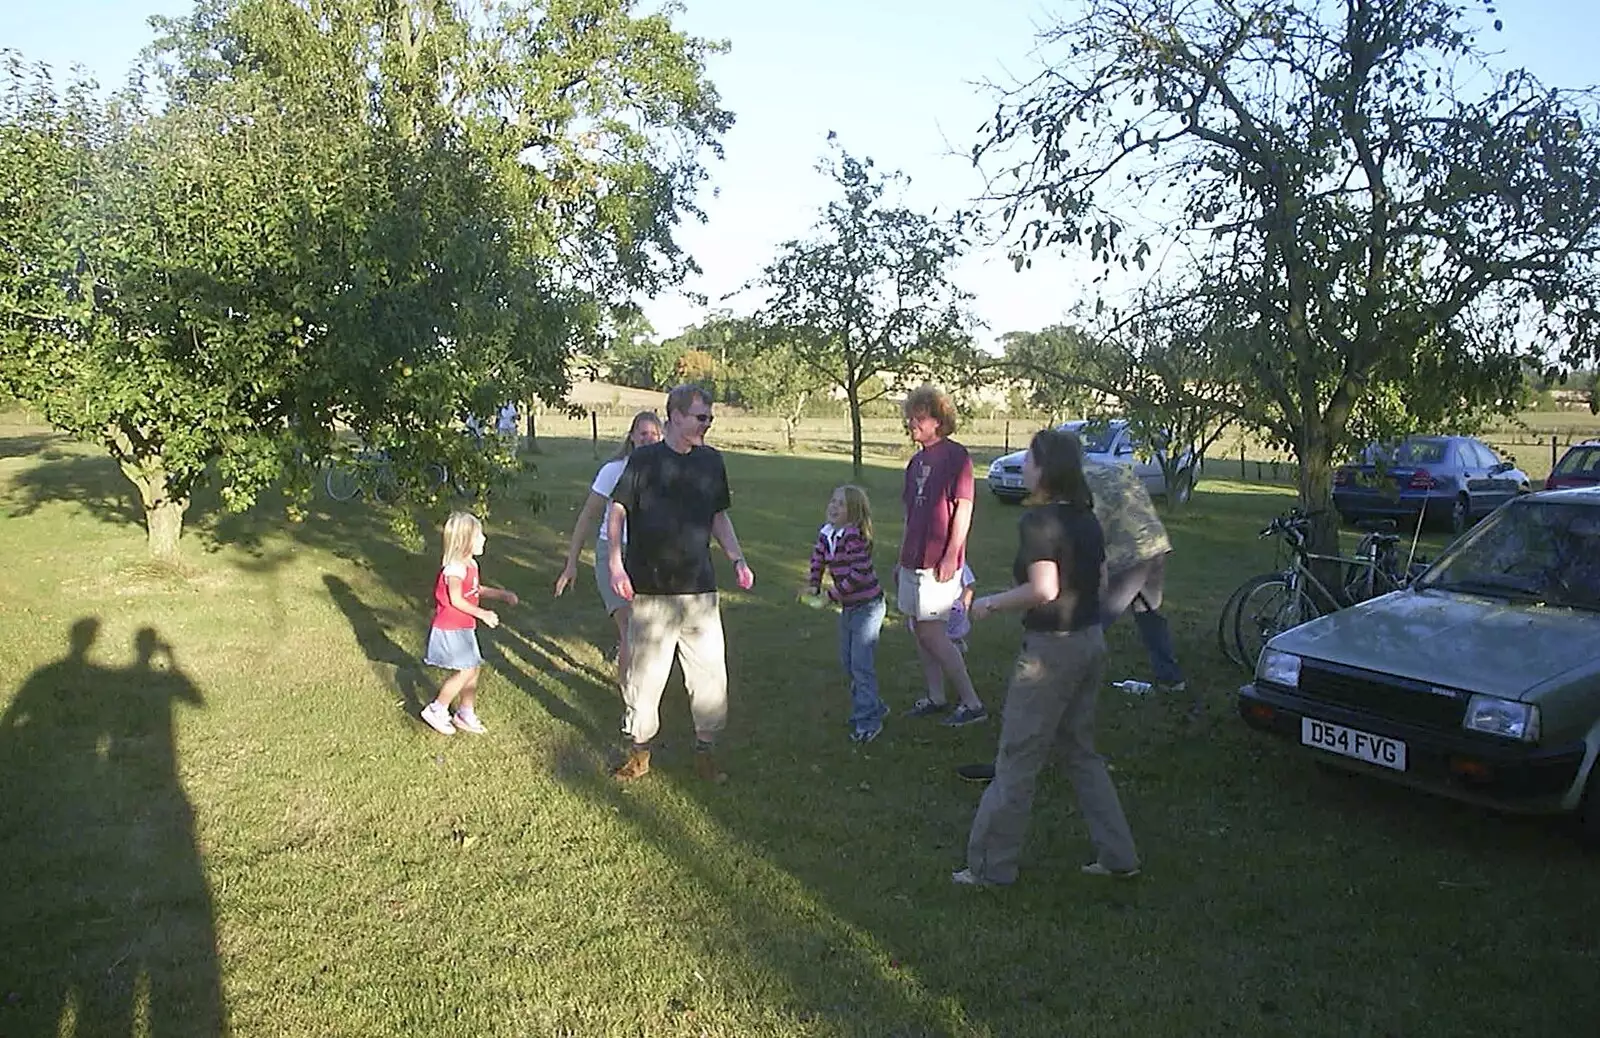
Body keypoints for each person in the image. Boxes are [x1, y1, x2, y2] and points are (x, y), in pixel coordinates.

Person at [952, 428, 1140, 886]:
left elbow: (1044, 589)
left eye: (1031, 460)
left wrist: (990, 603)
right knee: (1080, 752)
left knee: (1016, 757)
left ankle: (989, 869)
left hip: (1050, 654)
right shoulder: (1086, 519)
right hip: (1089, 641)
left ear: (1047, 468)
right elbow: (1095, 584)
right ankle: (1119, 856)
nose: (1025, 466)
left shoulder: (1039, 523)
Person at [605, 384, 753, 782]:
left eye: (709, 417)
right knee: (644, 680)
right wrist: (615, 563)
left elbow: (718, 516)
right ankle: (639, 754)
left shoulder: (711, 462)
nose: (707, 424)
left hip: (699, 592)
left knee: (709, 680)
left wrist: (736, 558)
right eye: (700, 417)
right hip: (650, 592)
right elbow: (617, 511)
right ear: (675, 415)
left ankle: (705, 753)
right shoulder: (645, 460)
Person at [896, 384, 987, 726]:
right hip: (913, 560)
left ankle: (972, 703)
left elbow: (963, 508)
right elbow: (911, 514)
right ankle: (935, 696)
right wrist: (901, 557)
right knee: (919, 630)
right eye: (910, 418)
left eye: (919, 418)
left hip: (940, 562)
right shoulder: (915, 461)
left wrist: (952, 555)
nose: (912, 424)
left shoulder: (956, 456)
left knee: (934, 632)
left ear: (938, 420)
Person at [554, 411, 664, 688]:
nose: (649, 440)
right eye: (643, 434)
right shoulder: (614, 470)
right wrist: (571, 564)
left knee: (644, 629)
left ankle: (638, 681)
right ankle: (629, 696)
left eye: (654, 434)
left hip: (647, 554)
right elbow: (587, 516)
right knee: (630, 630)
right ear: (632, 437)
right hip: (612, 554)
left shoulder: (666, 472)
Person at [419, 512, 519, 736]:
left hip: (463, 627)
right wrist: (482, 613)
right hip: (450, 628)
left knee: (473, 669)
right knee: (465, 670)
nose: (484, 539)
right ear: (465, 541)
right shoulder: (454, 569)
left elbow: (474, 589)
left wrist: (501, 594)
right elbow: (456, 599)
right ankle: (437, 709)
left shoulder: (470, 565)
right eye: (479, 535)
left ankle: (465, 713)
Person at [806, 484, 888, 743]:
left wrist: (831, 594)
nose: (833, 506)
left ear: (853, 513)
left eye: (840, 504)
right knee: (848, 662)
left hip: (868, 607)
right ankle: (873, 705)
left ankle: (868, 722)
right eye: (832, 501)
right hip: (850, 607)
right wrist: (813, 584)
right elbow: (818, 559)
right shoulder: (827, 533)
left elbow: (859, 573)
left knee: (861, 665)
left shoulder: (853, 537)